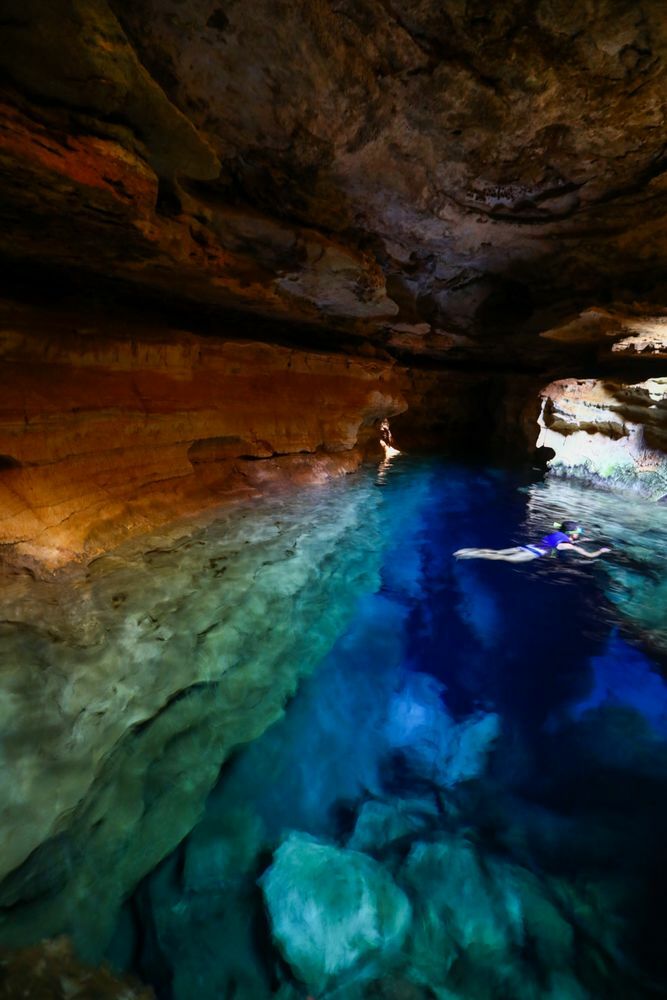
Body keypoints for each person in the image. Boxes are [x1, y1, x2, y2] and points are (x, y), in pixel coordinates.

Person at [454, 521, 612, 563]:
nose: (579, 535)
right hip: (534, 553)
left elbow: (566, 538)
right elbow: (589, 555)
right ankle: (471, 556)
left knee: (499, 552)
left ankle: (470, 550)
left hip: (529, 546)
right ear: (572, 534)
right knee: (502, 558)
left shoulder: (559, 533)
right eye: (578, 533)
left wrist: (587, 538)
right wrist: (601, 551)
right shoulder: (567, 544)